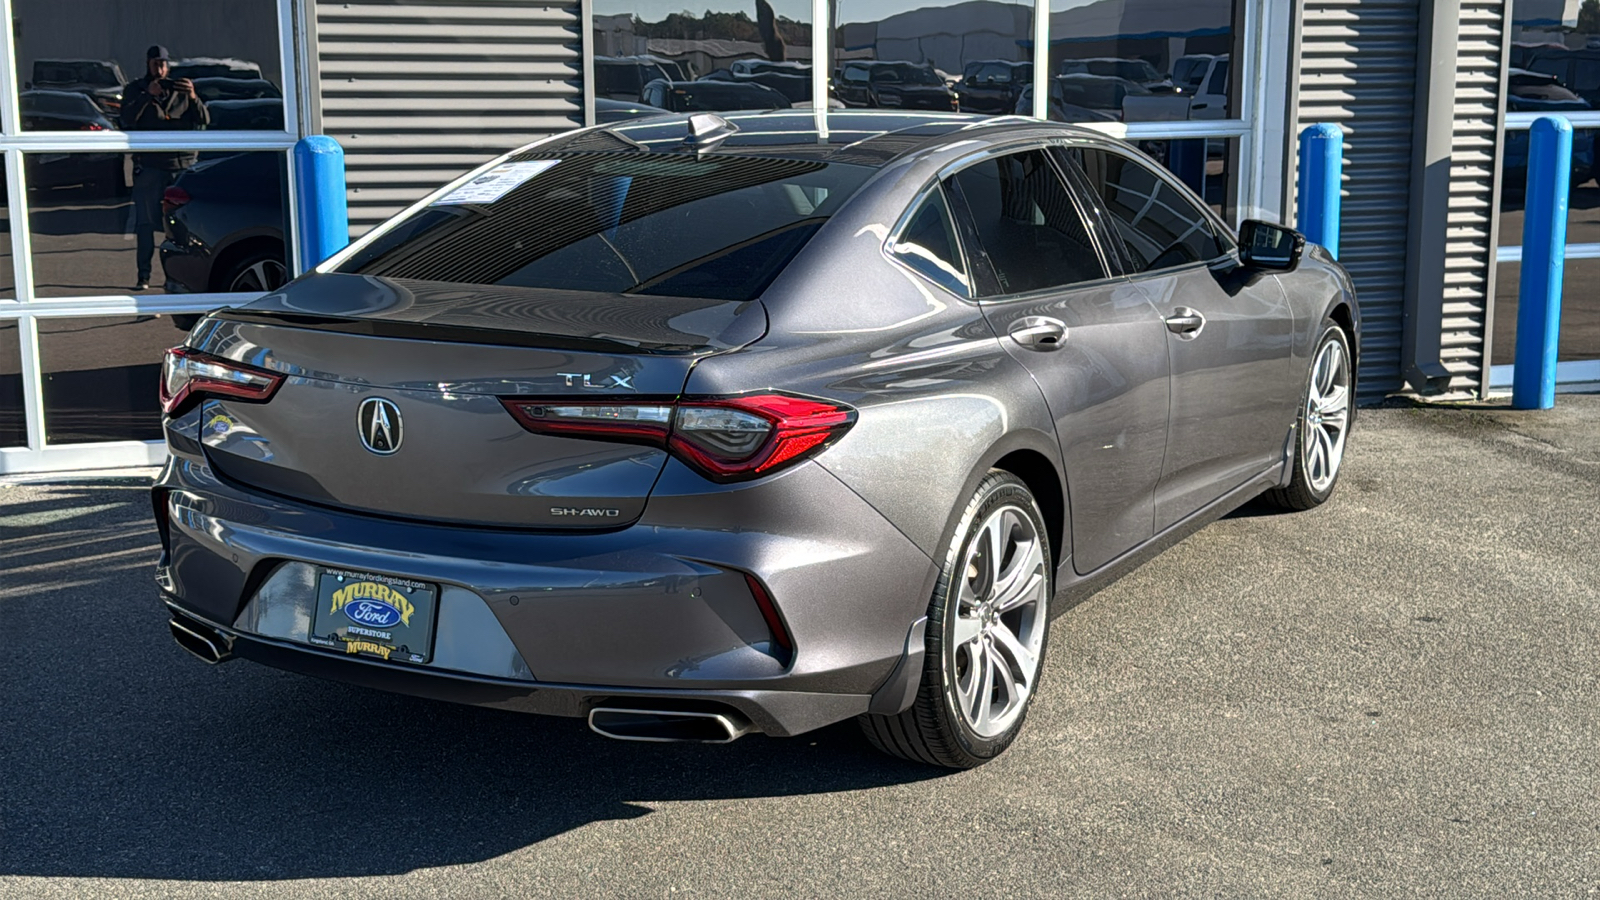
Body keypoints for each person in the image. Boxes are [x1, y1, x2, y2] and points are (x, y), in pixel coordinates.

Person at [120, 45, 209, 290]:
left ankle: (183, 278)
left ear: (168, 65)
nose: (159, 69)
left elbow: (203, 120)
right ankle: (144, 276)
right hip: (150, 165)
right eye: (154, 64)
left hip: (180, 165)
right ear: (147, 64)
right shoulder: (136, 89)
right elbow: (126, 120)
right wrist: (147, 95)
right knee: (146, 223)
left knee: (183, 224)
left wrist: (192, 96)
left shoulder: (180, 90)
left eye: (163, 64)